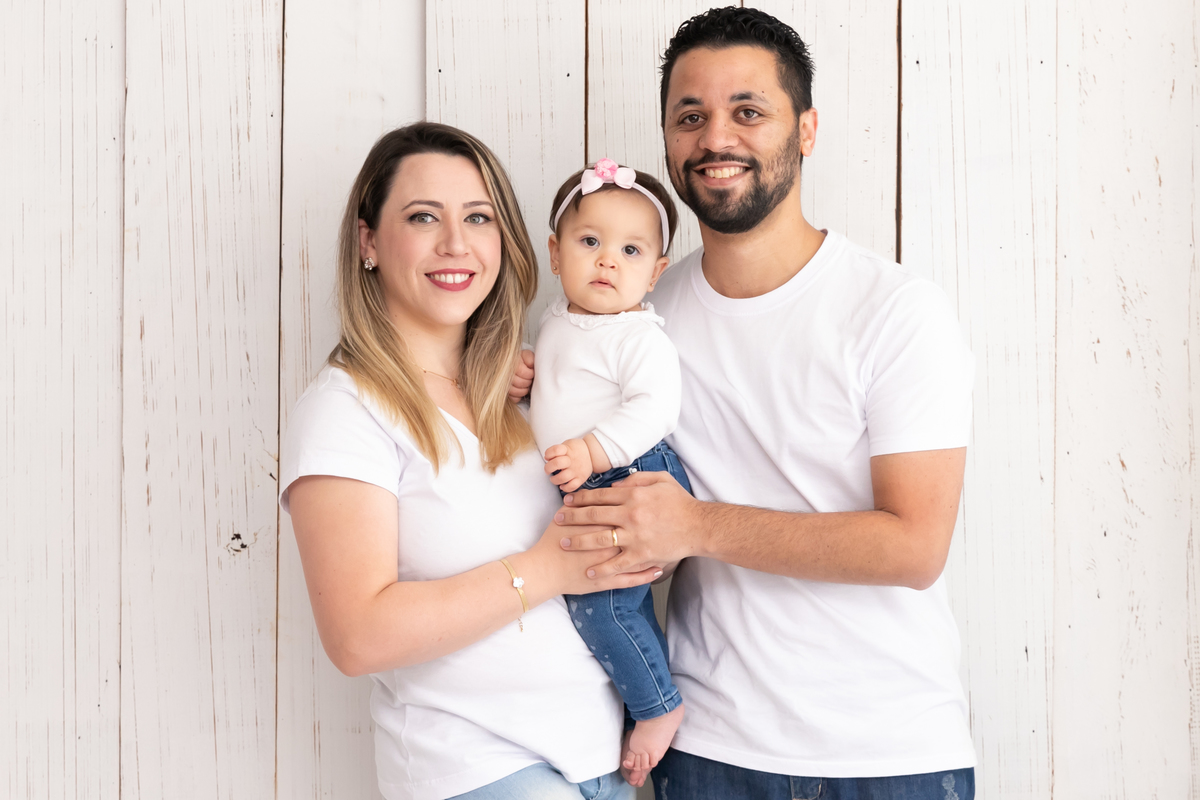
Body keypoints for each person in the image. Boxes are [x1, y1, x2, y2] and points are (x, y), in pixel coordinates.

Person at [549, 8, 978, 799]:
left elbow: (915, 547)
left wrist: (694, 525)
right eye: (691, 117)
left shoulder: (895, 309)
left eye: (748, 111)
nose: (716, 138)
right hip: (707, 749)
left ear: (806, 129)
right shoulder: (640, 318)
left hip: (885, 753)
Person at [280, 121, 656, 800]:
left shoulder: (527, 392)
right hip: (479, 770)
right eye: (423, 217)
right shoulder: (345, 411)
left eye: (478, 217)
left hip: (600, 761)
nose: (456, 243)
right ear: (368, 241)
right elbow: (357, 636)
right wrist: (547, 568)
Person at [531, 159, 688, 787]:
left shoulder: (638, 336)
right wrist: (525, 374)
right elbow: (564, 385)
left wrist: (593, 451)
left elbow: (656, 408)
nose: (607, 262)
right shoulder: (556, 321)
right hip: (594, 474)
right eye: (590, 241)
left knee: (601, 608)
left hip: (629, 472)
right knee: (616, 603)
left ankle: (658, 707)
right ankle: (639, 697)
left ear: (655, 273)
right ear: (555, 253)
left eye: (630, 250)